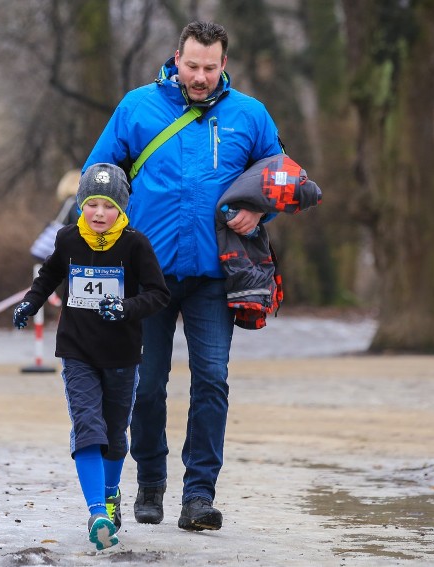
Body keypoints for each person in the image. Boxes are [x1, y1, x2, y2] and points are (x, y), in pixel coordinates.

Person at [83, 21, 284, 531]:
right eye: (191, 65)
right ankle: (150, 480)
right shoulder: (136, 107)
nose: (199, 76)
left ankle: (199, 495)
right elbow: (97, 182)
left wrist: (260, 213)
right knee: (146, 386)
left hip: (216, 276)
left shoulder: (250, 115)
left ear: (223, 65)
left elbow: (279, 180)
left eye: (209, 68)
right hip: (147, 276)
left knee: (211, 381)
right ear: (176, 58)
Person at [12, 163, 169, 550]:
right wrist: (30, 304)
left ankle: (112, 493)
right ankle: (97, 511)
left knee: (115, 436)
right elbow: (47, 277)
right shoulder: (68, 239)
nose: (99, 213)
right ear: (81, 204)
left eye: (108, 206)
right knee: (87, 427)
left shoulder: (135, 244)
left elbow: (159, 294)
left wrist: (126, 307)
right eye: (92, 204)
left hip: (121, 353)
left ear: (122, 209)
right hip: (77, 351)